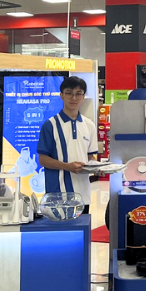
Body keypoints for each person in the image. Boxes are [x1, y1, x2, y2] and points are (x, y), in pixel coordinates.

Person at [37, 76, 98, 213]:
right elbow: (43, 159)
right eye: (69, 93)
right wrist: (67, 166)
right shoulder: (50, 125)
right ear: (61, 95)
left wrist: (96, 167)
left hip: (83, 194)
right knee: (60, 227)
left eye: (78, 94)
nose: (74, 98)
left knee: (82, 226)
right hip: (58, 195)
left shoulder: (89, 125)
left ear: (83, 97)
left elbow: (90, 157)